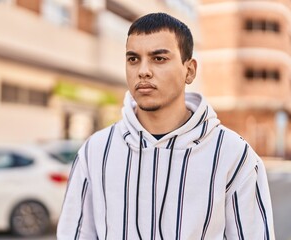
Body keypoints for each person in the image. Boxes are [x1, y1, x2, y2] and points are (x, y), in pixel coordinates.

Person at [57, 12, 275, 239]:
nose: (143, 71)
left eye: (158, 58)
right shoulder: (96, 152)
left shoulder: (233, 155)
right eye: (133, 59)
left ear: (189, 71)